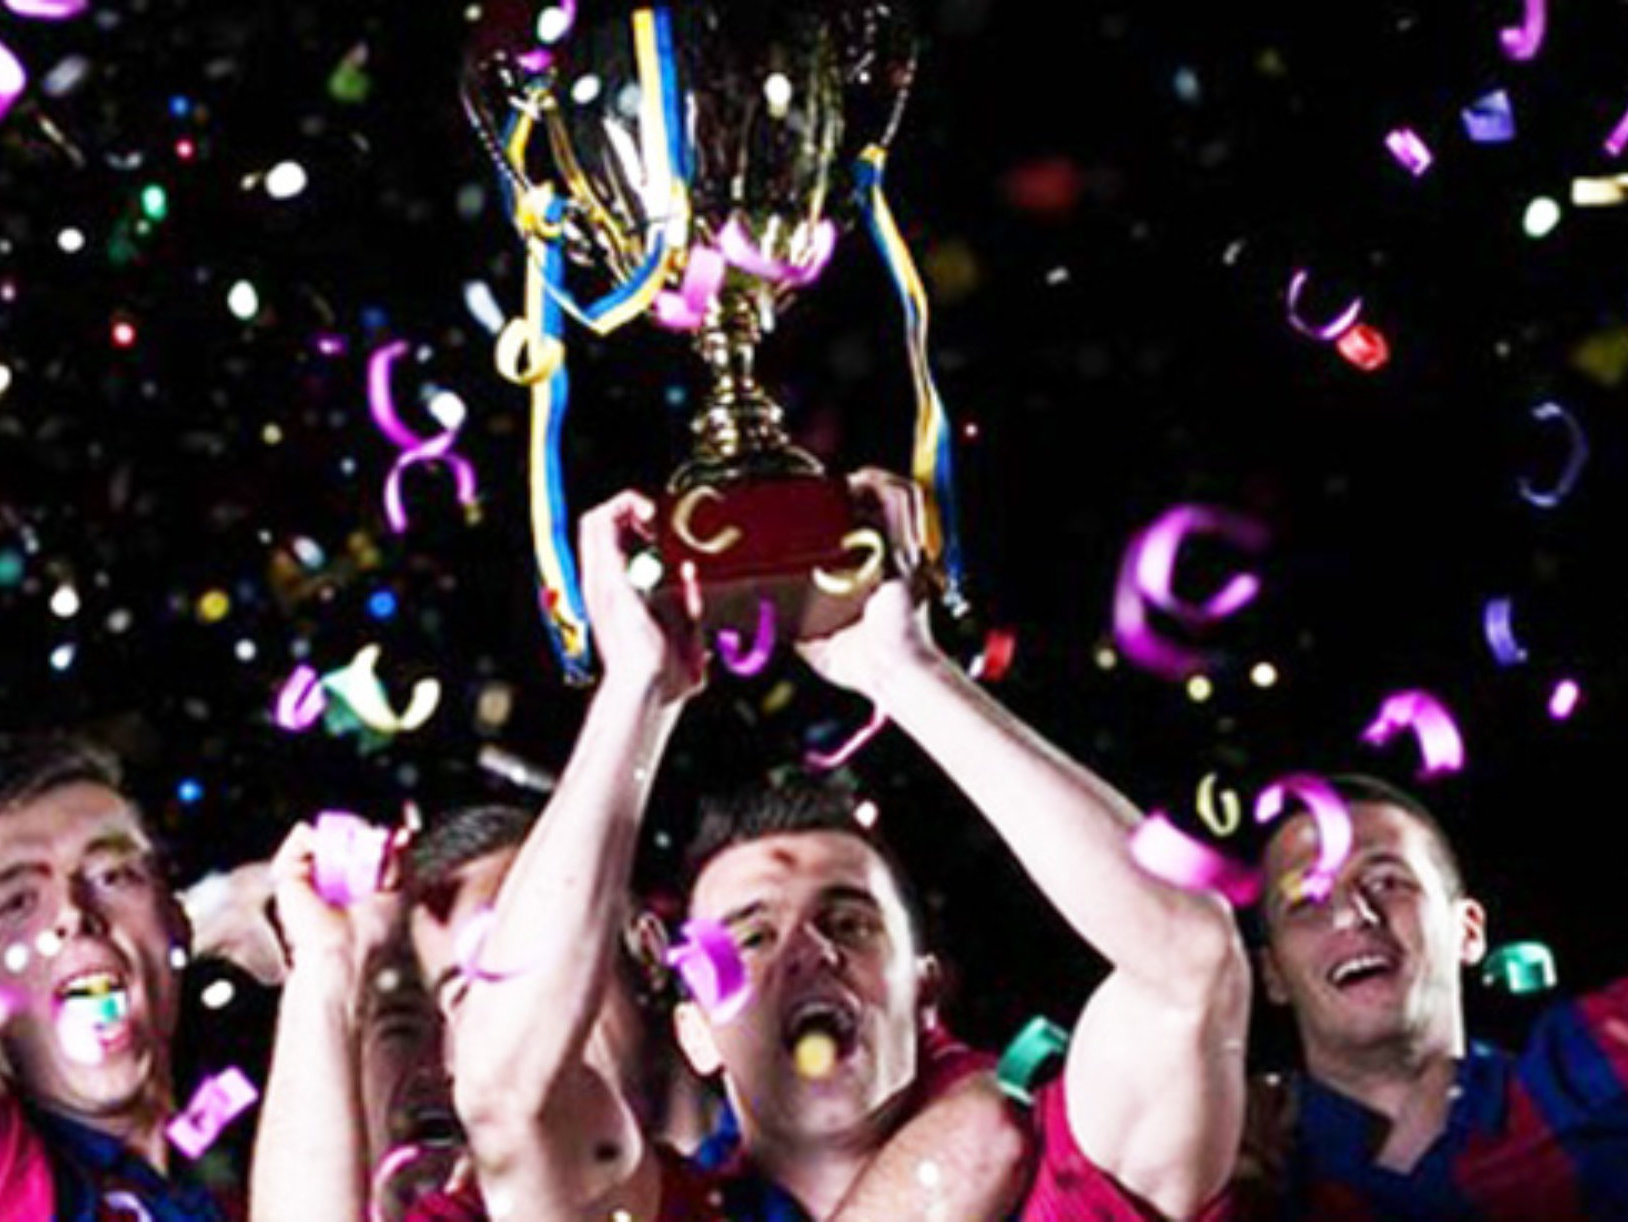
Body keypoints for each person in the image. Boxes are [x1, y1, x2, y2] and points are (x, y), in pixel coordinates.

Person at [448, 470, 1251, 1220]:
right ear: (695, 1033)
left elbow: (1190, 961)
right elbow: (505, 1091)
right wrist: (635, 690)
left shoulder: (1054, 1176)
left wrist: (907, 673)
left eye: (851, 921)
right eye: (750, 937)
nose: (808, 951)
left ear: (925, 989)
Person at [1241, 773, 1628, 1219]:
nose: (1351, 915)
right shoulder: (1232, 1169)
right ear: (1272, 973)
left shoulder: (1592, 1075)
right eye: (1307, 900)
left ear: (1468, 931)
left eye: (1387, 882)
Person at [0, 735, 229, 1220]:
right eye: (18, 902)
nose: (72, 912)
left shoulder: (268, 1162)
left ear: (175, 918)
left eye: (111, 876)